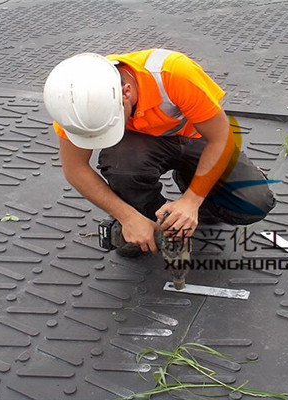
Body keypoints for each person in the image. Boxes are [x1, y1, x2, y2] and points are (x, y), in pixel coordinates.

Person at [43, 49, 276, 256]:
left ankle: (192, 186)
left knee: (253, 203)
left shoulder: (174, 74)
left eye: (109, 125)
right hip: (142, 147)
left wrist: (192, 200)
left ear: (125, 92)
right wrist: (128, 217)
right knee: (121, 163)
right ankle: (148, 224)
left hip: (198, 141)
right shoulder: (71, 103)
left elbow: (221, 139)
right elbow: (75, 169)